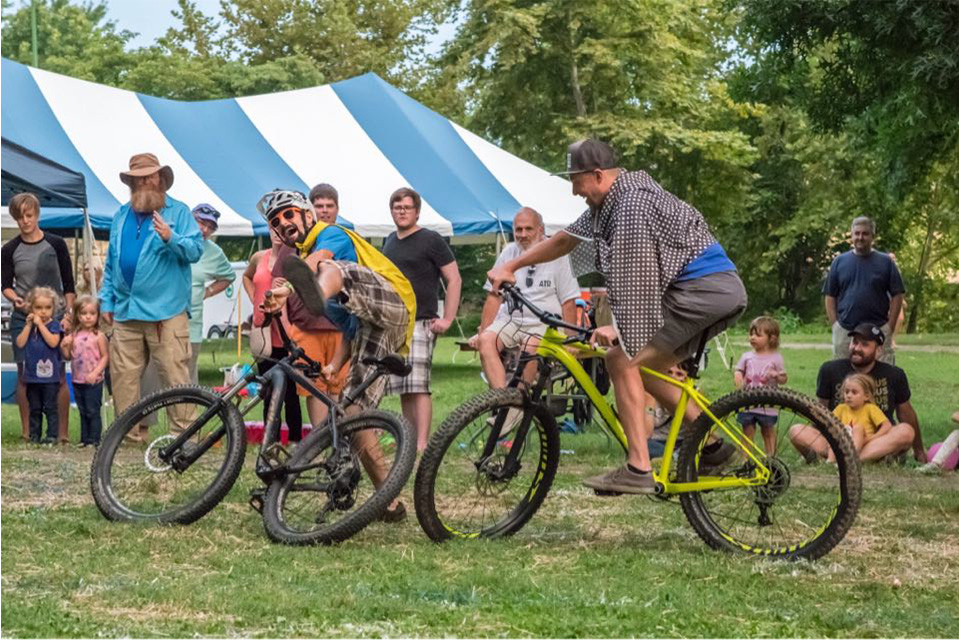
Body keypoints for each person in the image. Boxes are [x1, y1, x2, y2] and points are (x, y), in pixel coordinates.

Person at [488, 139, 747, 494]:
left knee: (620, 358)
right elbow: (565, 241)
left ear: (596, 175)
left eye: (576, 181)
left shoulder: (630, 205)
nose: (574, 191)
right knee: (643, 367)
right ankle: (713, 445)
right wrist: (513, 264)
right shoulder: (610, 200)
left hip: (703, 291)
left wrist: (619, 327)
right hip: (707, 291)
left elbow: (637, 274)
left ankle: (638, 467)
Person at [264, 255, 415, 521]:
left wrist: (290, 288)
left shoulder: (330, 239)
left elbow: (323, 258)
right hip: (365, 324)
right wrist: (333, 366)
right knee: (348, 416)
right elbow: (350, 330)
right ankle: (389, 502)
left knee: (355, 416)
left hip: (392, 305)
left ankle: (389, 499)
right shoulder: (338, 301)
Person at [99, 153, 204, 441]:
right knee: (123, 379)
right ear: (131, 182)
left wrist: (172, 237)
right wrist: (106, 300)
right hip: (125, 311)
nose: (145, 181)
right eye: (139, 177)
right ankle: (127, 439)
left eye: (150, 175)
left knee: (175, 376)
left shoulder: (179, 213)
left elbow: (196, 251)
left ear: (161, 179)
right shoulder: (121, 214)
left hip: (166, 312)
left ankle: (185, 438)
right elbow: (111, 263)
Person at [264, 186, 357, 430]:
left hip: (344, 325)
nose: (324, 211)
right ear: (312, 209)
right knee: (315, 387)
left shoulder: (334, 234)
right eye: (320, 206)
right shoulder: (293, 245)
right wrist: (279, 304)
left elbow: (321, 257)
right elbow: (278, 282)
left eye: (329, 206)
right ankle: (320, 439)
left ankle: (343, 437)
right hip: (312, 325)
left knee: (343, 389)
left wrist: (292, 285)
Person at [382, 187, 462, 451]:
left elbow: (453, 278)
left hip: (422, 320)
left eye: (406, 207)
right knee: (404, 385)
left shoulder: (431, 240)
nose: (401, 212)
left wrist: (448, 318)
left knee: (419, 386)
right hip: (396, 323)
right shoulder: (389, 241)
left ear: (417, 211)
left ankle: (422, 443)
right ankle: (408, 439)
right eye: (397, 207)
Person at [468, 207, 580, 388]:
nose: (523, 234)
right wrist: (483, 332)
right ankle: (502, 400)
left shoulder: (559, 257)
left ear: (541, 230)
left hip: (545, 324)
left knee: (530, 345)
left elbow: (569, 301)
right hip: (512, 320)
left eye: (529, 229)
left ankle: (520, 403)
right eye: (518, 229)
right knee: (486, 341)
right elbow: (494, 296)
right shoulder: (509, 252)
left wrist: (572, 340)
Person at [788, 323, 926, 463]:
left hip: (877, 440)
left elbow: (905, 412)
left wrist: (919, 451)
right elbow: (820, 411)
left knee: (906, 431)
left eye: (865, 345)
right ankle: (858, 458)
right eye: (855, 342)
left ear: (878, 350)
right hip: (839, 439)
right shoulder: (830, 370)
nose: (857, 348)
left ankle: (846, 460)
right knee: (796, 431)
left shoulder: (894, 374)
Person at [2, 192, 75, 442]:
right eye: (19, 217)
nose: (24, 221)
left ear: (37, 215)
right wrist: (15, 300)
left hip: (54, 317)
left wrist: (68, 315)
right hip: (25, 318)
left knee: (58, 374)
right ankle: (27, 433)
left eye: (29, 216)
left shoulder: (56, 244)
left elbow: (69, 283)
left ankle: (61, 434)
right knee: (25, 374)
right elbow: (5, 285)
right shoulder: (10, 249)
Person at [243, 228, 304, 443]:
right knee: (268, 391)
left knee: (291, 394)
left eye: (284, 228)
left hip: (287, 331)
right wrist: (254, 298)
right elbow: (247, 277)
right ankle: (271, 442)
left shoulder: (298, 258)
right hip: (264, 332)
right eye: (273, 226)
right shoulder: (259, 257)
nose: (277, 232)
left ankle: (296, 442)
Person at [824, 216, 905, 364]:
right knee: (843, 378)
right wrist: (835, 325)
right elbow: (830, 296)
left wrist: (890, 327)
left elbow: (897, 295)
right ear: (851, 235)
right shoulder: (839, 262)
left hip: (878, 329)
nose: (860, 237)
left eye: (865, 234)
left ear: (873, 236)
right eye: (857, 233)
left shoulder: (885, 262)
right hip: (845, 331)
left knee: (881, 379)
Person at [187, 203, 236, 384]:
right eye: (201, 222)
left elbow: (229, 276)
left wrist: (207, 292)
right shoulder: (172, 239)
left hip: (191, 325)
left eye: (210, 227)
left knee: (187, 380)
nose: (205, 229)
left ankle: (188, 413)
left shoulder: (214, 252)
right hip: (162, 320)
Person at [15, 287, 63, 444]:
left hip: (50, 377)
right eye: (38, 308)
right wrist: (29, 326)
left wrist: (40, 326)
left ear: (53, 308)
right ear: (31, 308)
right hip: (32, 376)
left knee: (50, 407)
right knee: (34, 407)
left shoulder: (54, 325)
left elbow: (53, 342)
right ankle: (34, 435)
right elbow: (20, 343)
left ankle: (52, 435)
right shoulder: (30, 326)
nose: (43, 312)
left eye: (47, 308)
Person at [733, 316, 788, 455]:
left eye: (758, 335)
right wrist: (738, 376)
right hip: (748, 402)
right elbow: (739, 370)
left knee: (768, 431)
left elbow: (783, 379)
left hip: (767, 405)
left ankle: (771, 459)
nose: (752, 338)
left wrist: (776, 375)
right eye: (751, 334)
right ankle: (745, 459)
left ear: (772, 338)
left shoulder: (776, 358)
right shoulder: (746, 356)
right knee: (747, 431)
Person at [61, 296, 109, 447]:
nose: (88, 317)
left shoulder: (98, 336)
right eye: (83, 313)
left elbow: (105, 357)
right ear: (77, 315)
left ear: (97, 315)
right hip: (77, 379)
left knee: (93, 410)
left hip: (93, 380)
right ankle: (84, 438)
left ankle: (94, 440)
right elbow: (69, 357)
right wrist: (64, 347)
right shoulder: (74, 336)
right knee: (82, 410)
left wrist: (96, 372)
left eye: (92, 313)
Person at [828, 373, 892, 461]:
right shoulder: (841, 408)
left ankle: (852, 457)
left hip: (865, 444)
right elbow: (829, 423)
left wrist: (871, 438)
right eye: (846, 392)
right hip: (843, 442)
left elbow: (887, 425)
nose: (849, 395)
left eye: (854, 392)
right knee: (835, 432)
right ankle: (830, 461)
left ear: (866, 396)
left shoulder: (870, 408)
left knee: (858, 428)